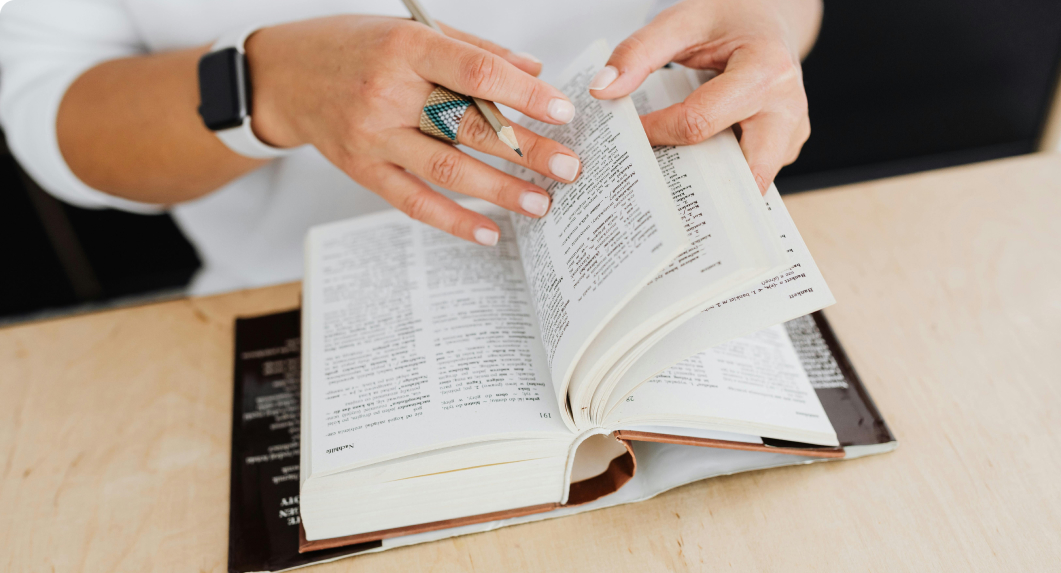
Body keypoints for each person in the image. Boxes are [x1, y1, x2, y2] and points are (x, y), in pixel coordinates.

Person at [0, 0, 821, 295]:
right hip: (296, 300)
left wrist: (767, 24)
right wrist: (268, 84)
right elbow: (53, 116)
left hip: (667, 271)